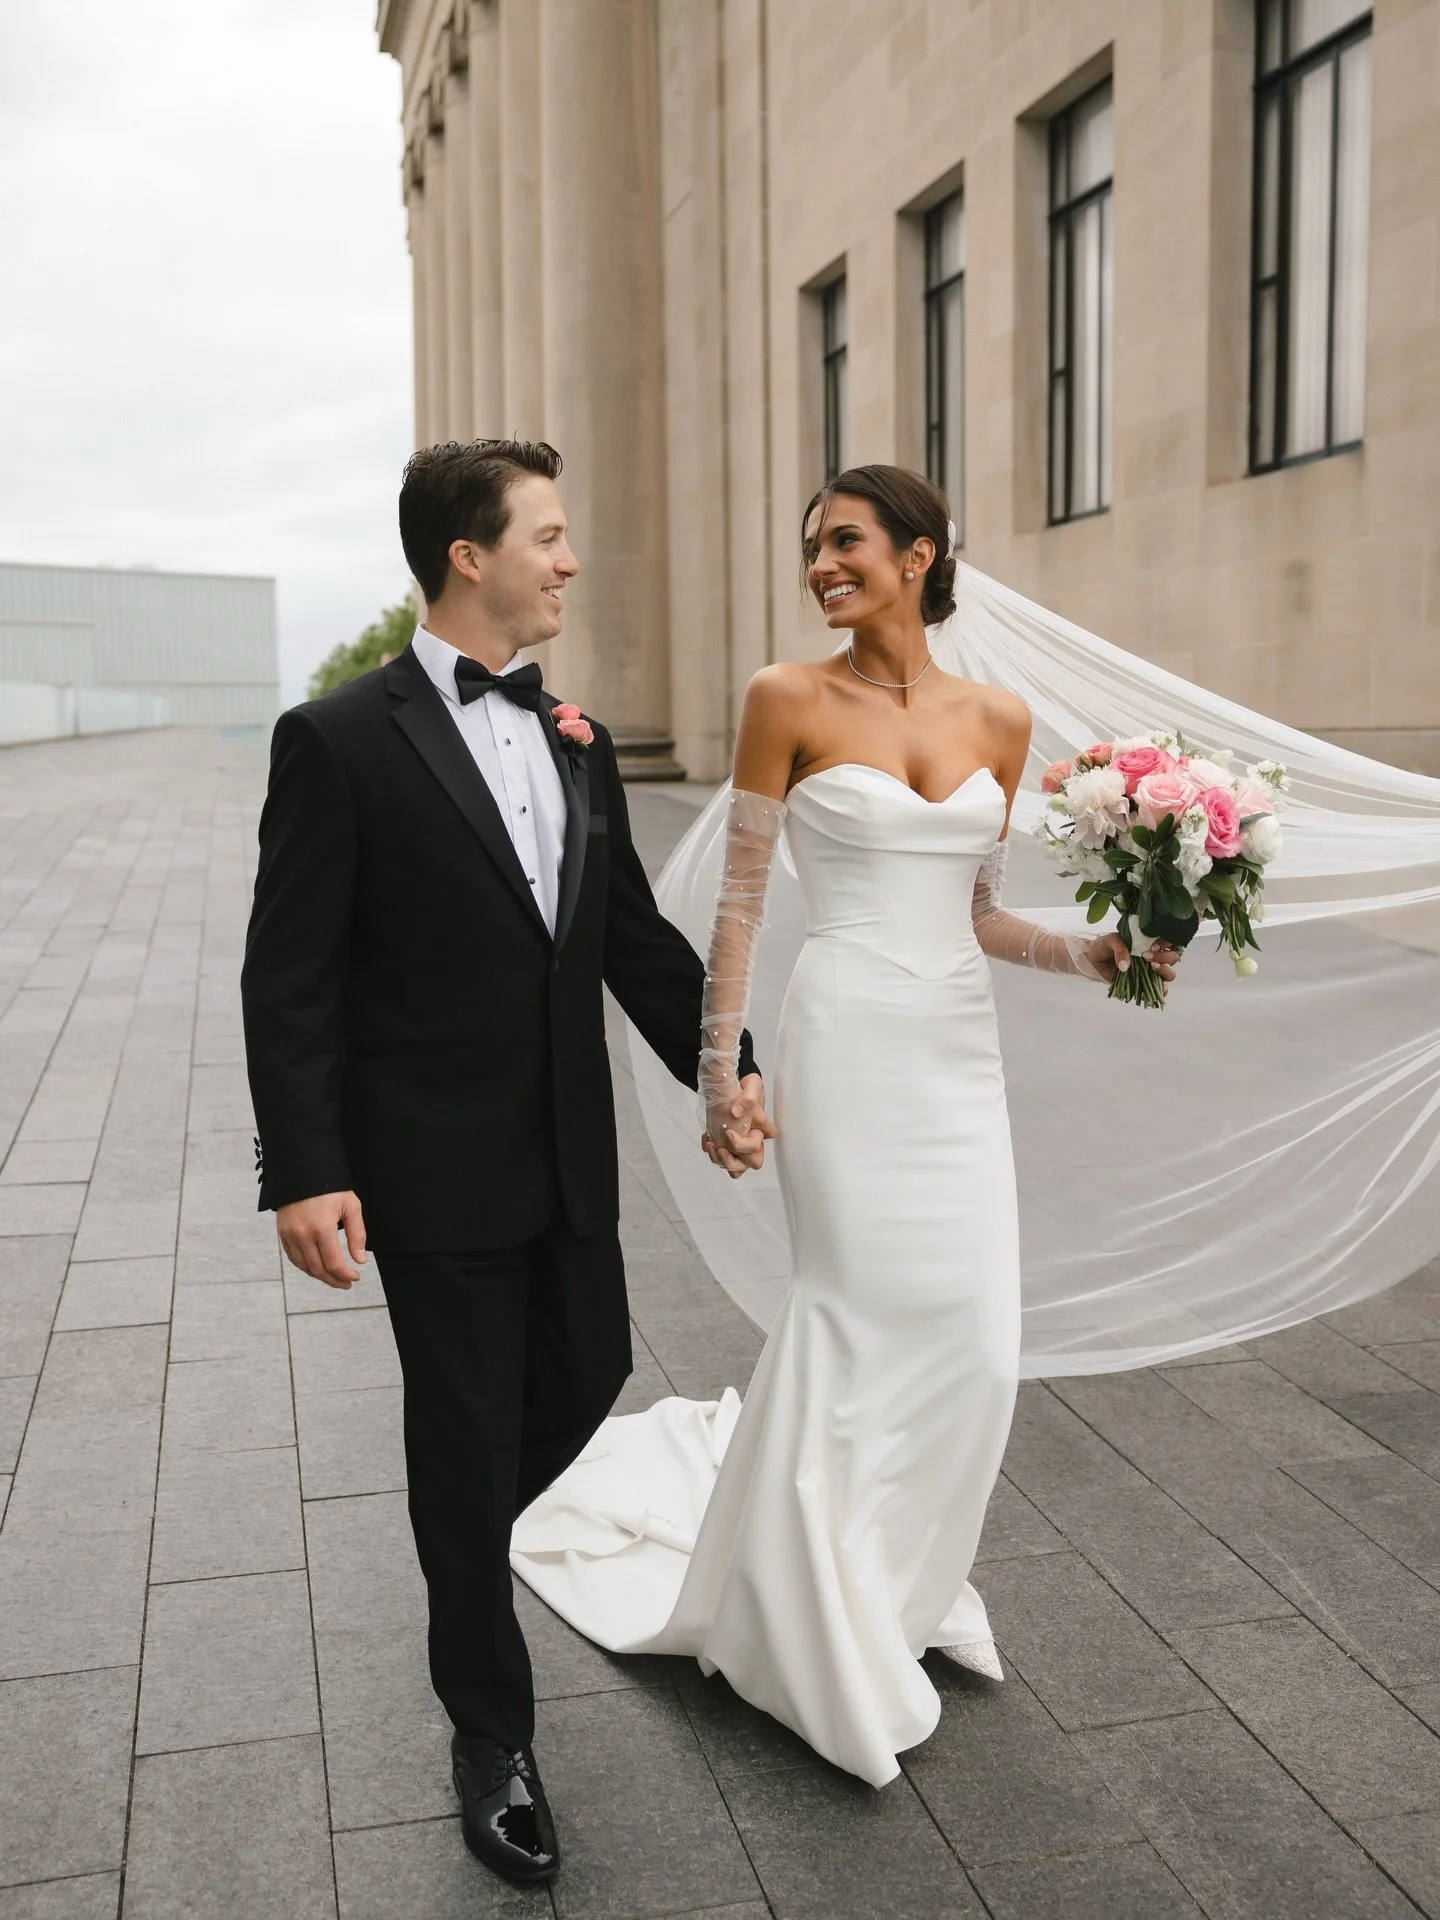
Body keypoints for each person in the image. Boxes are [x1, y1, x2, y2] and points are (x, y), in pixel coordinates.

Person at [510, 464, 1180, 1788]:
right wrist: (722, 1073)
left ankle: (892, 1579)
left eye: (847, 541)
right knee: (855, 1316)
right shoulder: (787, 698)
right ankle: (810, 1614)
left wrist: (1091, 954)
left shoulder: (1001, 719)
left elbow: (980, 914)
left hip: (955, 1053)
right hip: (846, 1042)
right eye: (813, 546)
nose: (822, 563)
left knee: (977, 1347)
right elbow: (742, 904)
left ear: (920, 555)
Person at [240, 438, 769, 1886]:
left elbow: (630, 941)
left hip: (568, 1161)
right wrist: (305, 1168)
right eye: (547, 535)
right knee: (467, 1436)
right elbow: (290, 977)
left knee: (587, 1373)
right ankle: (491, 1736)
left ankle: (459, 1528)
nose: (570, 560)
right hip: (430, 1171)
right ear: (468, 556)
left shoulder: (575, 738)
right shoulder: (337, 741)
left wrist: (727, 1065)